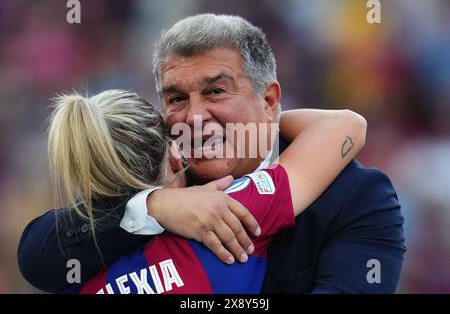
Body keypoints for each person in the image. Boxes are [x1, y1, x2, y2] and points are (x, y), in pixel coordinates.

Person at [18, 14, 406, 293]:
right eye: (177, 98)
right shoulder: (146, 179)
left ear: (268, 99)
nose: (197, 115)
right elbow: (38, 254)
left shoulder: (357, 196)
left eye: (216, 91)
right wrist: (155, 207)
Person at [45, 89, 366, 293]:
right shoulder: (229, 208)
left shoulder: (72, 271)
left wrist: (151, 206)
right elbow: (346, 127)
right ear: (173, 155)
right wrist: (251, 123)